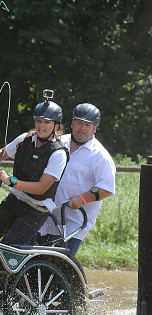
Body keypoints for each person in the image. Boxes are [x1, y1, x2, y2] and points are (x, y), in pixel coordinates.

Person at [0, 91, 68, 245]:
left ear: (56, 126)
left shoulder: (58, 153)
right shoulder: (25, 139)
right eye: (38, 121)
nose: (41, 126)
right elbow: (2, 154)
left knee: (7, 249)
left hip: (34, 211)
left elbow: (42, 188)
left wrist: (12, 181)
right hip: (13, 202)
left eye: (47, 122)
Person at [37, 103, 115, 256]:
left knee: (61, 266)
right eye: (79, 123)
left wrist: (82, 199)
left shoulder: (100, 156)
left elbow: (106, 188)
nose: (82, 128)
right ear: (72, 123)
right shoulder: (57, 142)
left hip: (74, 223)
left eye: (87, 125)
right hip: (46, 215)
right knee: (36, 263)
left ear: (95, 128)